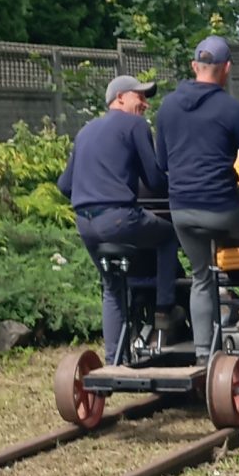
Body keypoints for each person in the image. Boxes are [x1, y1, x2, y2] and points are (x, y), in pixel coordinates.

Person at [154, 37, 239, 347]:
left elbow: (161, 163)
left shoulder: (167, 107)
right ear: (227, 68)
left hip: (181, 211)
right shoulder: (233, 109)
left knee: (201, 276)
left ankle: (203, 353)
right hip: (223, 208)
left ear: (194, 66)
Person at [57, 72, 182, 361]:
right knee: (168, 236)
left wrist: (93, 193)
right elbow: (154, 180)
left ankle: (115, 360)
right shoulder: (135, 125)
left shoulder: (85, 131)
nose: (145, 104)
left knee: (112, 289)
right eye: (140, 97)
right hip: (119, 218)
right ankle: (165, 309)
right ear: (120, 98)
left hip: (85, 223)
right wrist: (180, 188)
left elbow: (64, 185)